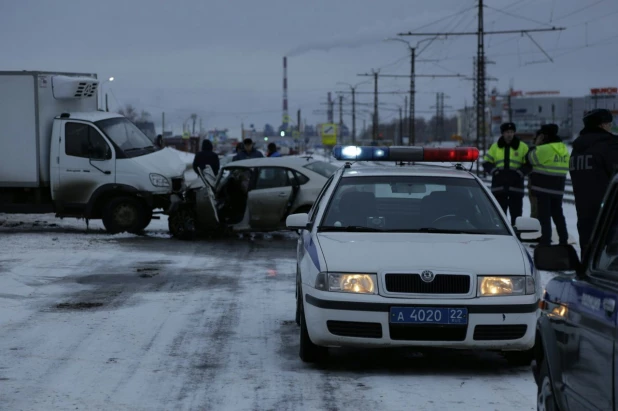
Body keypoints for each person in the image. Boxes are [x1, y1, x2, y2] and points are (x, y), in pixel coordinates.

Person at [570, 108, 618, 256]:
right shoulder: (609, 146)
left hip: (584, 210)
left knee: (588, 252)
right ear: (602, 125)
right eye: (609, 123)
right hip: (611, 213)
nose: (610, 127)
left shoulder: (577, 149)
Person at [526, 124, 570, 246]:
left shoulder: (543, 149)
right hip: (558, 187)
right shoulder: (563, 148)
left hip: (543, 187)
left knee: (544, 215)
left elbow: (529, 158)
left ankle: (545, 241)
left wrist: (536, 145)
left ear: (543, 136)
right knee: (558, 214)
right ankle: (563, 239)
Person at [482, 122, 530, 226]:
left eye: (512, 132)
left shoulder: (523, 147)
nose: (510, 134)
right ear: (503, 133)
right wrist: (494, 171)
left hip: (516, 187)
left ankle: (517, 237)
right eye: (507, 132)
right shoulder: (495, 147)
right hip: (499, 187)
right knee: (499, 216)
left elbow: (529, 164)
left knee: (517, 216)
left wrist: (520, 172)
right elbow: (486, 162)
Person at [527, 130, 544, 219]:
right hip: (534, 183)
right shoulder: (533, 150)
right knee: (535, 210)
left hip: (540, 182)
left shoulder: (546, 149)